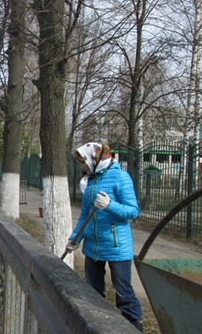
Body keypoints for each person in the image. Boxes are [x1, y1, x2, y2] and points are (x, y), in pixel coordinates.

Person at [65, 142, 143, 332]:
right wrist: (75, 238)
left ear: (95, 159)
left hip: (117, 246)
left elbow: (133, 211)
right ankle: (99, 327)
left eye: (84, 162)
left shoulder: (120, 177)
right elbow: (85, 215)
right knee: (93, 292)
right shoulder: (90, 181)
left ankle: (134, 327)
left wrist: (110, 205)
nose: (82, 166)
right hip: (92, 247)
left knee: (123, 294)